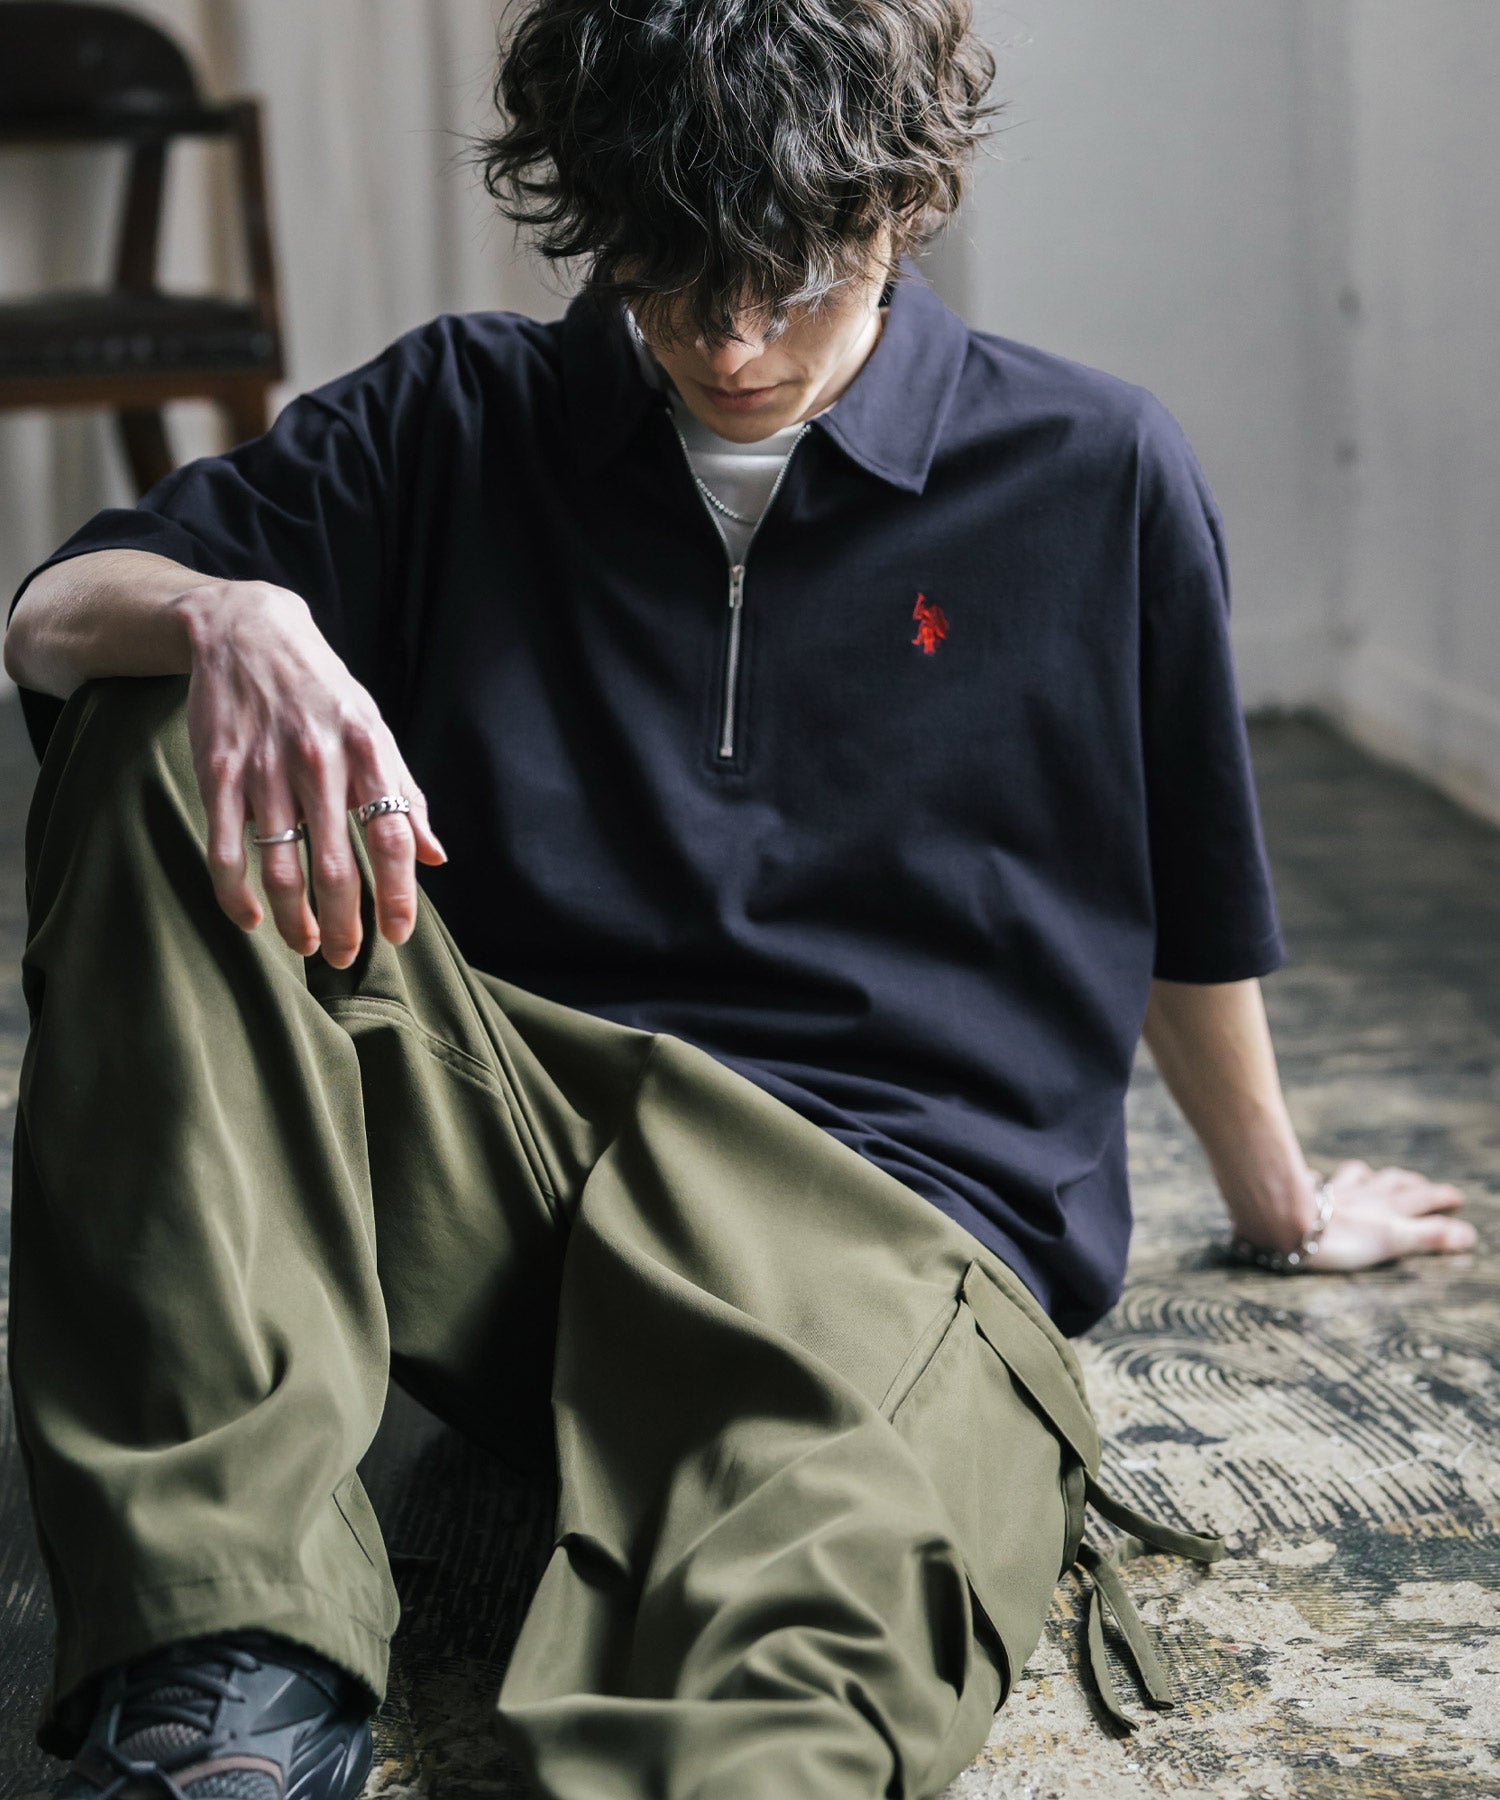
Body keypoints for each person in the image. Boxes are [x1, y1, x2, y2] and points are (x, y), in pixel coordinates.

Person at [3, 3, 1476, 1797]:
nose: (728, 341)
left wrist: (1279, 1202)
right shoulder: (458, 413)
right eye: (667, 276)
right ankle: (222, 1657)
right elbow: (46, 622)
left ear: (904, 202)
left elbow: (1187, 902)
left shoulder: (1095, 470)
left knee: (786, 1701)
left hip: (875, 1221)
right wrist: (226, 610)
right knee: (159, 708)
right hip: (500, 1172)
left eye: (791, 280)